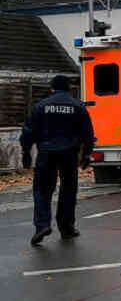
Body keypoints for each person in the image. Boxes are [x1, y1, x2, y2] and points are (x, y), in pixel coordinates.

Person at [20, 75, 94, 246]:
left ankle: (42, 226)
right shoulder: (78, 106)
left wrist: (26, 151)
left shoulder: (41, 106)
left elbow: (29, 130)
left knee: (42, 190)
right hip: (69, 154)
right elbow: (88, 132)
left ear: (52, 88)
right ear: (69, 88)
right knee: (68, 189)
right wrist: (87, 154)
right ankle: (66, 226)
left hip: (46, 153)